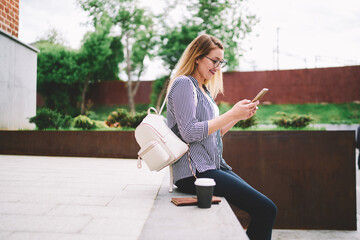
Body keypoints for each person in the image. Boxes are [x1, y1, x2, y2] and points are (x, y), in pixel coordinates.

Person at [166, 34, 277, 240]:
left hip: (210, 168)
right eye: (214, 60)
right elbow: (189, 133)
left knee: (265, 209)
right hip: (194, 173)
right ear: (197, 57)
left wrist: (238, 117)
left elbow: (212, 135)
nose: (218, 66)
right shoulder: (183, 84)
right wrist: (231, 113)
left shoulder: (204, 90)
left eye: (221, 62)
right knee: (266, 209)